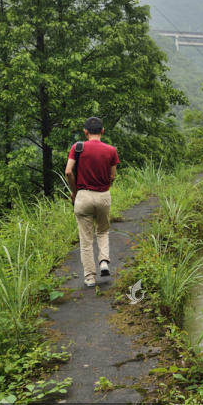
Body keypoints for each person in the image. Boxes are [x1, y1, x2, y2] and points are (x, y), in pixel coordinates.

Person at [65, 117, 120, 287]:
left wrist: (75, 193)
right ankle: (104, 261)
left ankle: (89, 277)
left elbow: (68, 172)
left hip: (83, 196)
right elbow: (112, 176)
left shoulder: (77, 147)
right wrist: (105, 188)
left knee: (86, 239)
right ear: (102, 131)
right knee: (102, 231)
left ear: (85, 132)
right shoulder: (111, 150)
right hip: (103, 195)